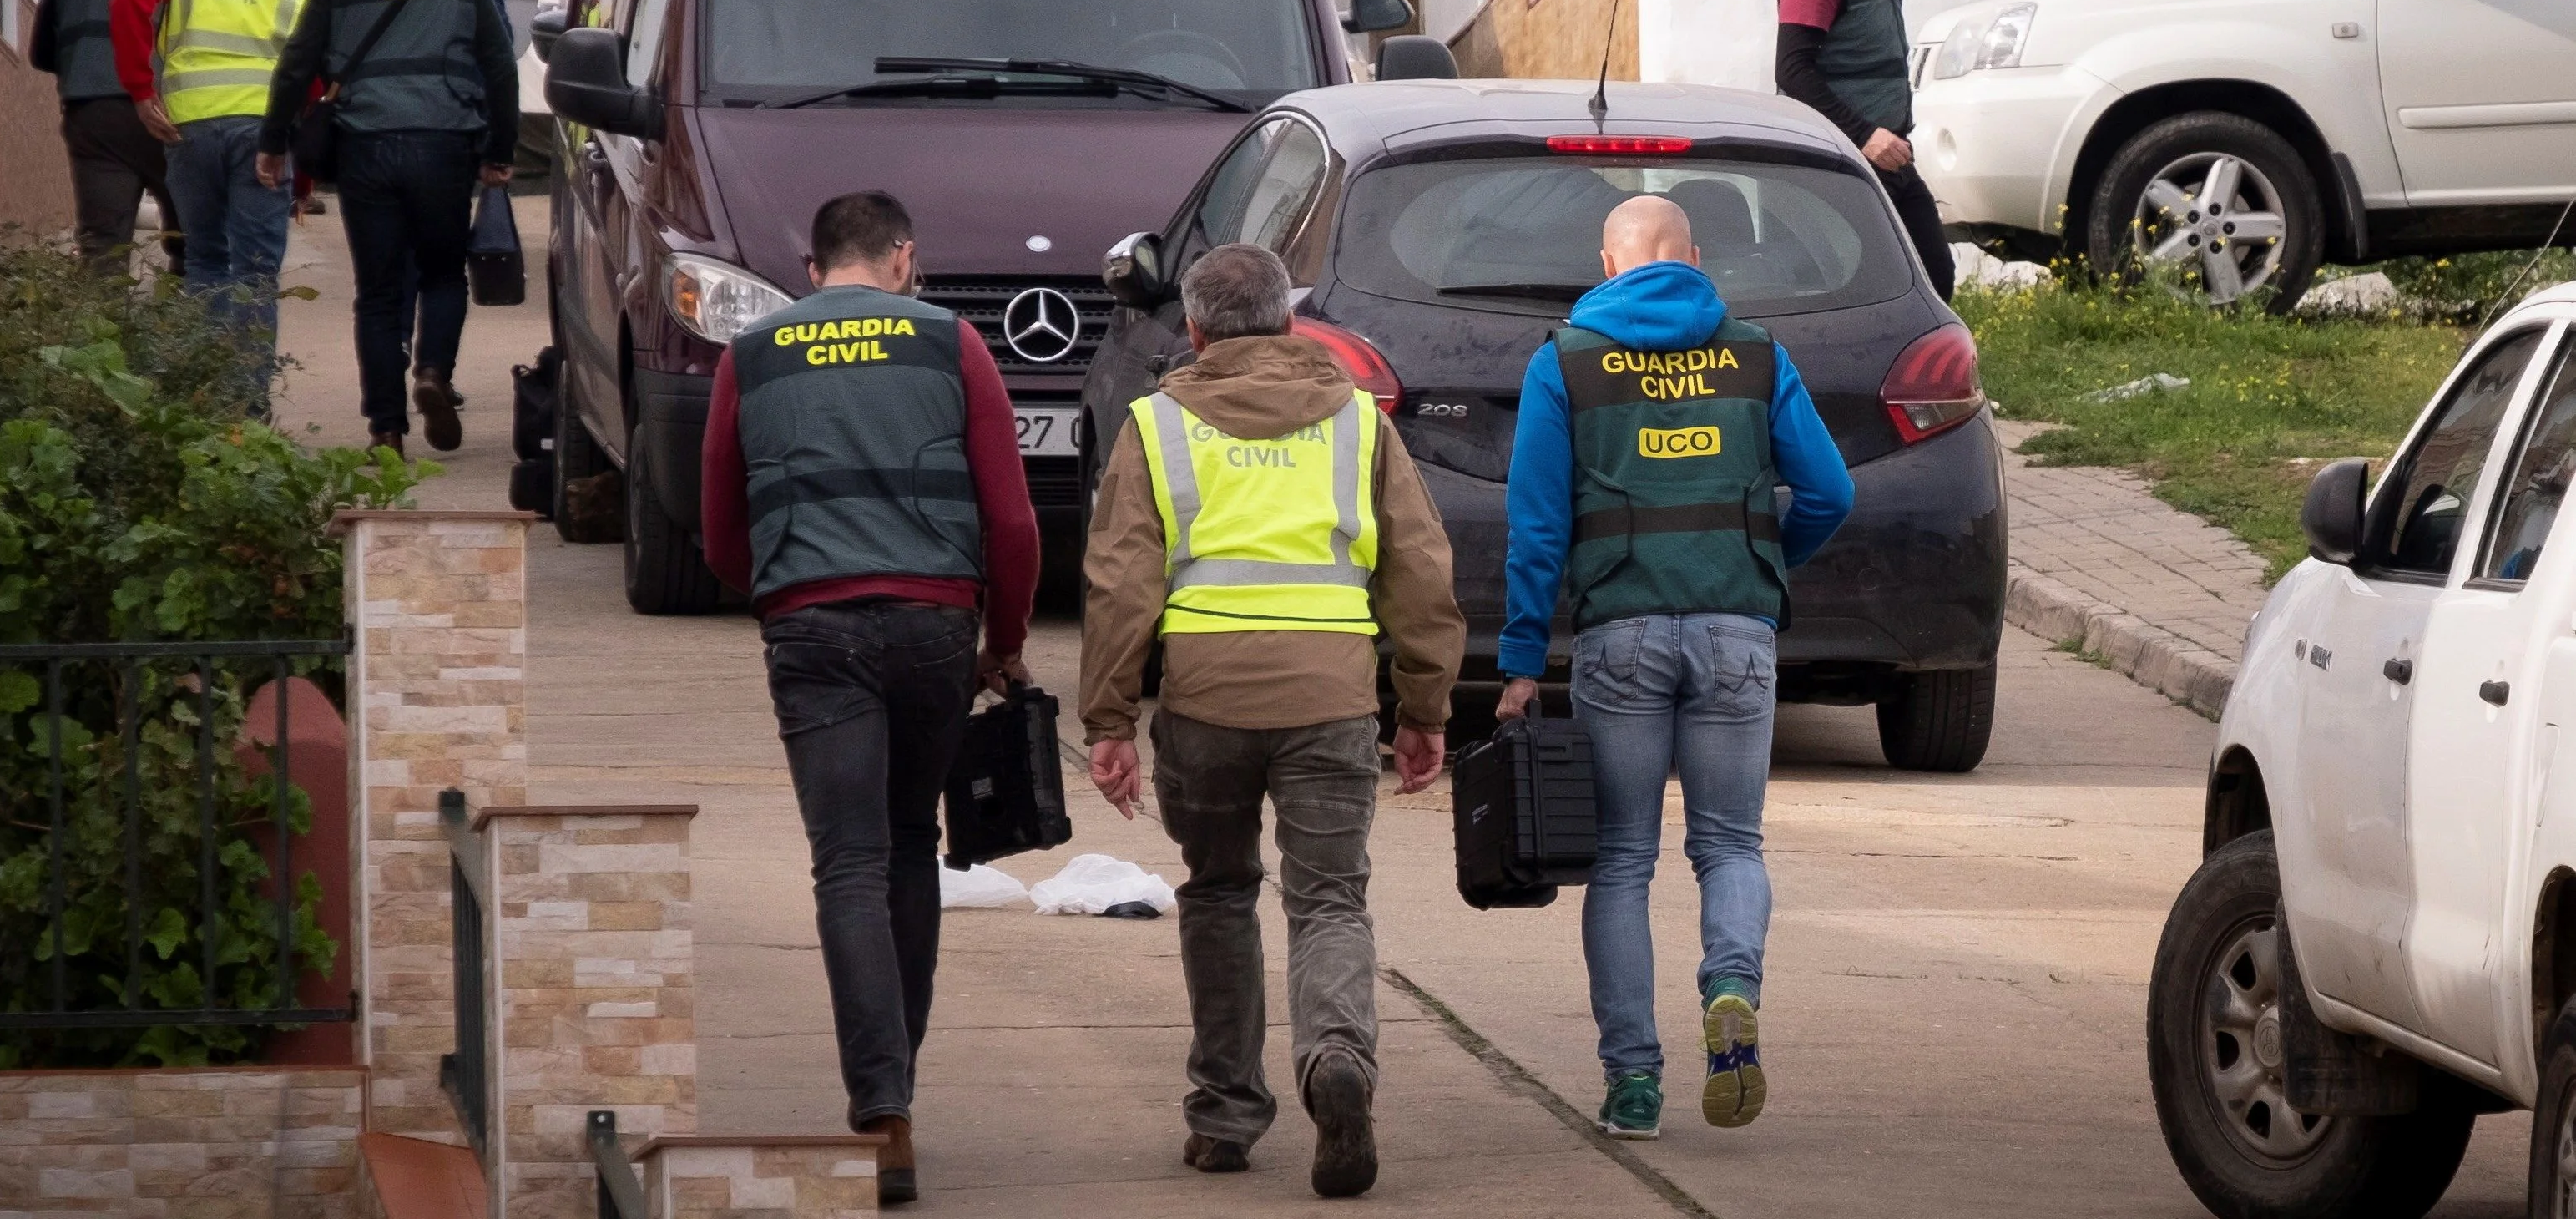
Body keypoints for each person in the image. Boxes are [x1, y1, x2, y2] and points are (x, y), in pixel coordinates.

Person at [1081, 242, 1463, 1201]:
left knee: (1216, 891)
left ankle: (1223, 1115)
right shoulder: (1357, 423)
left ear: (1197, 330)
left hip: (1205, 701)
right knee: (1328, 897)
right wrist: (1422, 708)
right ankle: (1338, 1057)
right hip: (1331, 697)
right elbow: (1420, 572)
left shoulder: (1156, 424)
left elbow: (1121, 582)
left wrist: (1110, 718)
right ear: (1291, 324)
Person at [696, 190, 1041, 1207]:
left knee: (844, 859)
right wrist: (1004, 642)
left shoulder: (751, 352)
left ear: (814, 270)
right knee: (903, 847)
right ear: (903, 259)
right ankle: (898, 1086)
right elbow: (1011, 520)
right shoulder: (952, 343)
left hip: (811, 625)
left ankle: (881, 1106)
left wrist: (774, 590)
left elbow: (718, 516)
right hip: (936, 626)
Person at [1496, 195, 1854, 1142]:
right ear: (1692, 259)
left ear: (1608, 264)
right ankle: (1731, 985)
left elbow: (1536, 527)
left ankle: (1633, 1085)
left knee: (1621, 861)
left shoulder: (1564, 361)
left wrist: (1522, 659)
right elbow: (1829, 489)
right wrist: (1764, 562)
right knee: (1730, 844)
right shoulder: (1753, 352)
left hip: (1620, 635)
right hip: (1736, 632)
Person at [260, 0, 518, 453]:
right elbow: (501, 65)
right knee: (442, 273)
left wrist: (274, 145)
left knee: (377, 290)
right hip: (444, 145)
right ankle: (432, 372)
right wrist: (498, 151)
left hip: (366, 146)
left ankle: (386, 427)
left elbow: (297, 63)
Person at [108, 0, 308, 409]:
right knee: (256, 271)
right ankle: (248, 405)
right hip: (263, 138)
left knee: (205, 260)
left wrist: (141, 90)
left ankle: (206, 398)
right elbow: (312, 69)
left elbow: (128, 0)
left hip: (188, 127)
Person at [1776, 0, 1952, 301]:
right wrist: (1864, 136)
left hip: (1886, 154)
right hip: (1843, 158)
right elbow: (1792, 73)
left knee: (1932, 276)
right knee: (1880, 285)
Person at [30, 0, 193, 275]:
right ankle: (183, 333)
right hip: (175, 113)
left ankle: (99, 337)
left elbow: (41, 52)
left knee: (102, 249)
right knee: (195, 245)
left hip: (94, 114)